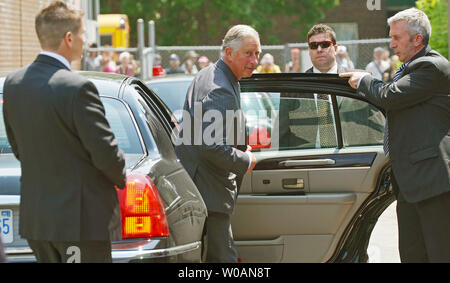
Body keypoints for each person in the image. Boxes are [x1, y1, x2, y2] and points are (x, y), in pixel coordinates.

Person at [2, 1, 126, 263]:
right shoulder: (77, 88)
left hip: (38, 221)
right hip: (78, 222)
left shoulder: (13, 84)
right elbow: (105, 153)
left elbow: (18, 148)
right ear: (69, 38)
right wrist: (121, 175)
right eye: (83, 35)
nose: (86, 43)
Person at [341, 7, 450, 262]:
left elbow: (390, 96)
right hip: (412, 184)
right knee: (413, 255)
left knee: (440, 253)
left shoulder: (431, 66)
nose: (391, 45)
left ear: (417, 39)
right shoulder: (410, 69)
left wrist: (365, 80)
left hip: (432, 183)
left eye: (396, 38)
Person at [175, 24, 259, 262]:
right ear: (229, 53)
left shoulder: (209, 74)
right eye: (248, 53)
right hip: (209, 192)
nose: (255, 60)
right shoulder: (219, 87)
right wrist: (246, 159)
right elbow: (210, 145)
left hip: (203, 187)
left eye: (257, 54)